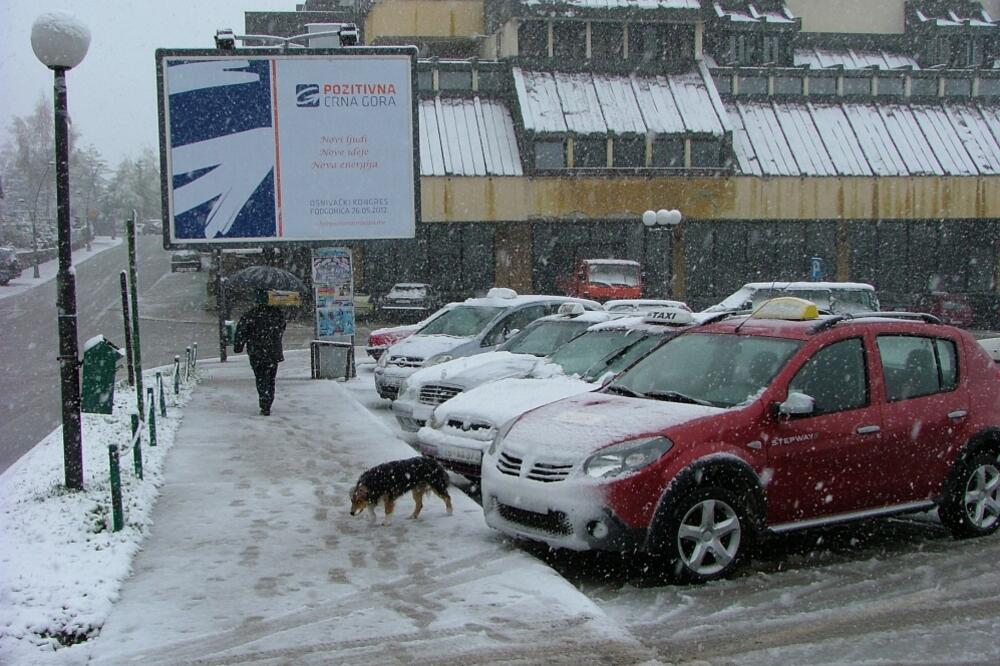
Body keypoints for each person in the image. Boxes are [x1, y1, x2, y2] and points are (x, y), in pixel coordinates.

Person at [233, 291, 287, 416]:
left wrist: (238, 346)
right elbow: (282, 327)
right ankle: (268, 400)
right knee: (271, 378)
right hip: (273, 352)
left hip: (256, 352)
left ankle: (264, 401)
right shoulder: (277, 313)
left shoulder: (250, 315)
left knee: (261, 377)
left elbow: (241, 332)